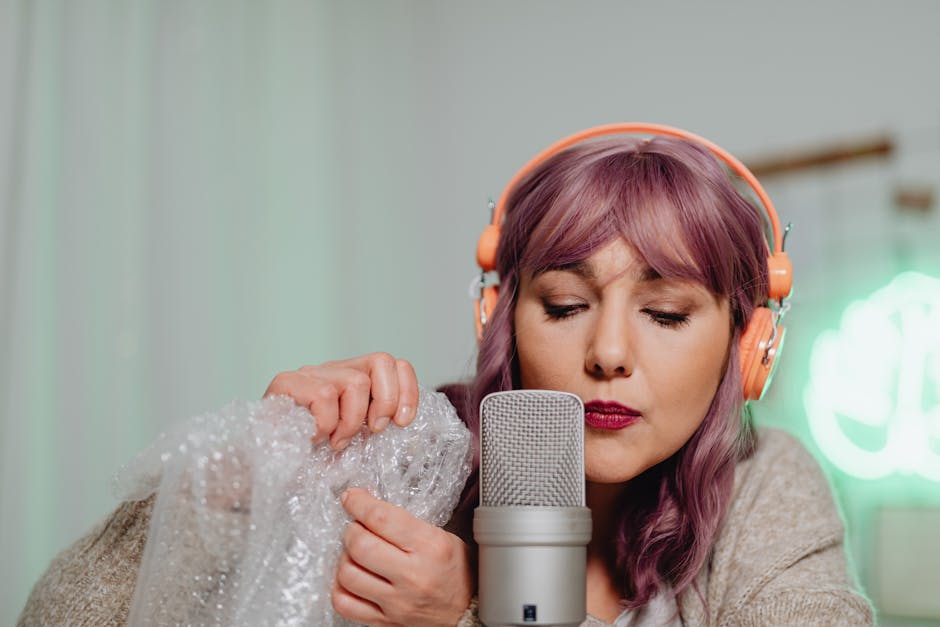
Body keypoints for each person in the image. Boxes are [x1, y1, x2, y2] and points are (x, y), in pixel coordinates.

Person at [19, 125, 874, 626]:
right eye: (567, 304)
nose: (609, 353)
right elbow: (56, 613)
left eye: (664, 313)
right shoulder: (407, 460)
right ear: (500, 318)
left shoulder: (762, 489)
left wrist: (473, 616)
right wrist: (242, 479)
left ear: (747, 340)